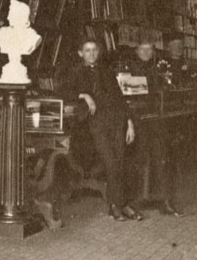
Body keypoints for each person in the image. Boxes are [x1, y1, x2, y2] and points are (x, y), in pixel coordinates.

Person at [58, 38, 142, 221]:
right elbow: (62, 92)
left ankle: (121, 204)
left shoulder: (106, 71)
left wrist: (129, 123)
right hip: (93, 124)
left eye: (94, 50)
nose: (92, 54)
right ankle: (116, 205)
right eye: (87, 50)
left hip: (116, 121)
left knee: (120, 162)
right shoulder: (75, 72)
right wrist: (84, 95)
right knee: (112, 162)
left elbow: (119, 98)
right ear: (80, 53)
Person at [129, 39, 182, 216]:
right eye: (142, 49)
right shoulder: (129, 68)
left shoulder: (156, 69)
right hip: (137, 121)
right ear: (136, 51)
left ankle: (165, 201)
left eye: (149, 49)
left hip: (155, 119)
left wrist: (165, 84)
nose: (146, 53)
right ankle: (137, 201)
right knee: (140, 159)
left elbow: (162, 91)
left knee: (162, 157)